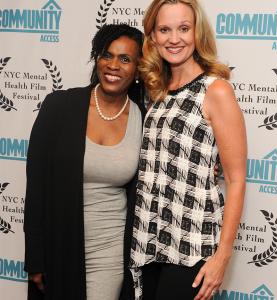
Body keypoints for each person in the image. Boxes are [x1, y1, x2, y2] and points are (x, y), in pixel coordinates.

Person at [129, 1, 247, 300]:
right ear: (152, 36)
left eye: (184, 28)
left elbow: (235, 180)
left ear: (197, 33)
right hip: (148, 242)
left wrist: (221, 258)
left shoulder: (216, 90)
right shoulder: (156, 90)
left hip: (191, 245)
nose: (174, 38)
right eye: (164, 29)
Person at [24, 24, 146, 300]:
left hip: (110, 251)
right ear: (97, 59)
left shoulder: (145, 119)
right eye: (107, 55)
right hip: (59, 246)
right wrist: (35, 258)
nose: (113, 65)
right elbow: (36, 189)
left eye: (125, 59)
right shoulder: (59, 106)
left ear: (138, 69)